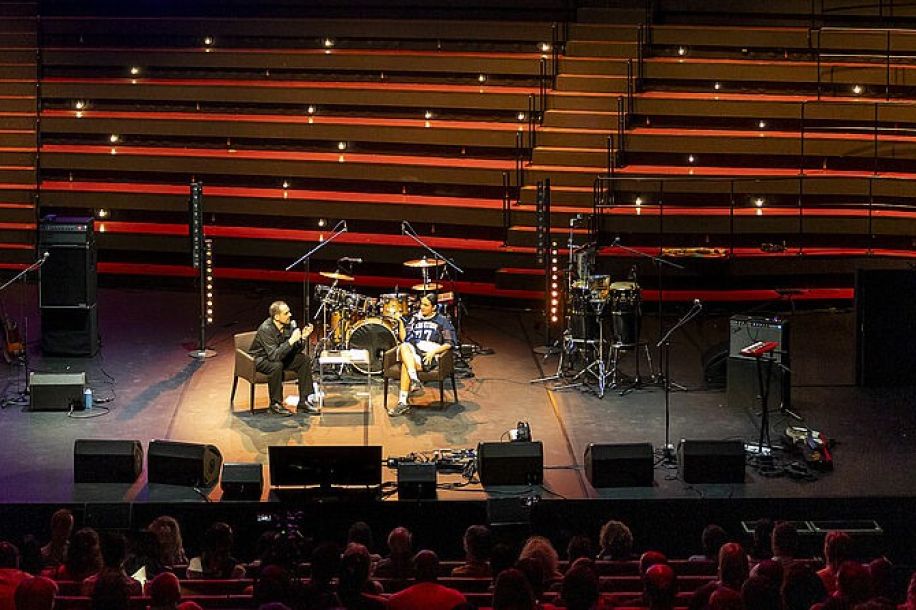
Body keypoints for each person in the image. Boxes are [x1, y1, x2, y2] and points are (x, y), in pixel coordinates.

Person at [389, 293, 456, 417]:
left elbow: (449, 343)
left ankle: (403, 402)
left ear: (434, 307)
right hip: (413, 352)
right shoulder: (415, 318)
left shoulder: (442, 321)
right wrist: (400, 322)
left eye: (426, 305)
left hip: (429, 355)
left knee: (405, 365)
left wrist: (434, 352)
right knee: (404, 346)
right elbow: (405, 339)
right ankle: (414, 379)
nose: (422, 307)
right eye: (421, 304)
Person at [249, 300, 317, 416]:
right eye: (286, 313)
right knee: (276, 365)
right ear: (276, 316)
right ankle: (275, 405)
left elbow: (294, 350)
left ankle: (303, 402)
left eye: (289, 312)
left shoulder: (288, 326)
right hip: (260, 359)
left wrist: (303, 338)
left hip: (278, 356)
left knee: (303, 359)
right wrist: (291, 341)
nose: (290, 315)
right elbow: (274, 356)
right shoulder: (266, 329)